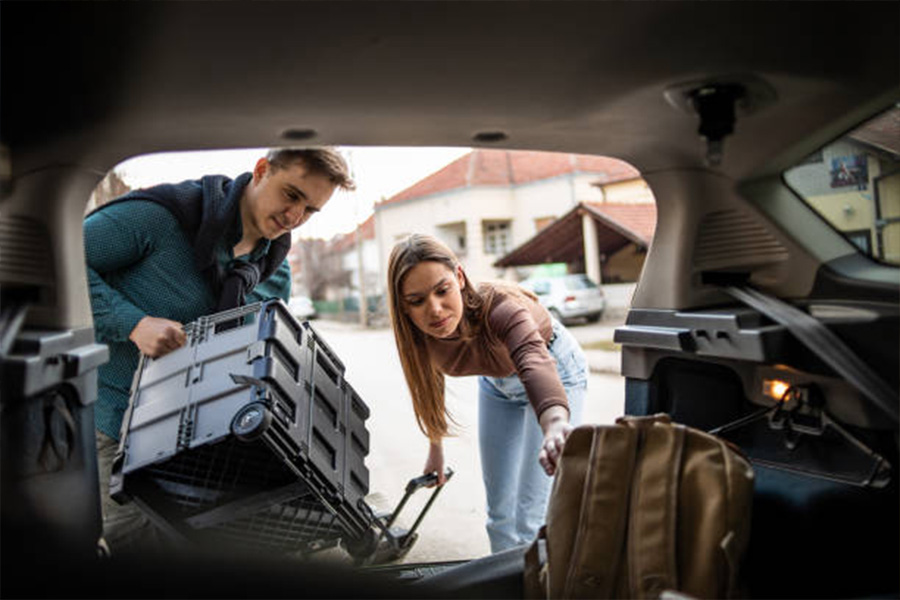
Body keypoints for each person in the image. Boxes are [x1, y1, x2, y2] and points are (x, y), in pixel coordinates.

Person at [83, 147, 354, 555]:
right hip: (113, 421)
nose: (295, 216)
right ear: (261, 171)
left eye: (311, 210)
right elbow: (57, 262)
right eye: (292, 195)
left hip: (197, 444)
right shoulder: (161, 217)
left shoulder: (276, 272)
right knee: (135, 552)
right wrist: (132, 324)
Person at [386, 234, 588, 553]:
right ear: (404, 307)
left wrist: (554, 424)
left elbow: (533, 360)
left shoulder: (500, 307)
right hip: (497, 387)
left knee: (529, 518)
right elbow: (428, 386)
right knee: (499, 515)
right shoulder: (417, 336)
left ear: (460, 277)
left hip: (557, 369)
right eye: (416, 301)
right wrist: (435, 448)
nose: (435, 310)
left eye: (443, 290)